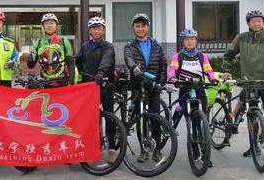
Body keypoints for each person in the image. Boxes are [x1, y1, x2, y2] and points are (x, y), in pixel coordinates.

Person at [223, 9, 264, 161]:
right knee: (253, 116)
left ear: (263, 22)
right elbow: (229, 54)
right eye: (253, 21)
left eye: (259, 20)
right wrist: (226, 70)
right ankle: (254, 146)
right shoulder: (242, 38)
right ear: (248, 23)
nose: (257, 23)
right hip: (249, 82)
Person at [168, 28, 216, 167]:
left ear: (196, 41)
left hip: (199, 90)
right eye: (187, 39)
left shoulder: (202, 56)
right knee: (189, 122)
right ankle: (194, 151)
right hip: (185, 89)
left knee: (201, 124)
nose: (190, 42)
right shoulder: (178, 56)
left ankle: (205, 154)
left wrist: (212, 78)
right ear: (182, 42)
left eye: (192, 39)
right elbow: (173, 69)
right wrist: (171, 77)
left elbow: (208, 70)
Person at [124, 13, 167, 164]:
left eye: (143, 25)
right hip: (138, 86)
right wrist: (134, 67)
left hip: (154, 87)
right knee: (140, 119)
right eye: (137, 26)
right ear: (133, 28)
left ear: (148, 27)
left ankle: (157, 150)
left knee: (155, 118)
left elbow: (163, 65)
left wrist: (161, 81)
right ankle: (143, 150)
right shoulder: (130, 46)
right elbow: (128, 58)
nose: (140, 29)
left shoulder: (156, 45)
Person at [75, 16, 117, 163]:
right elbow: (78, 60)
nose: (96, 30)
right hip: (89, 88)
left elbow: (106, 60)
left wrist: (100, 72)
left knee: (109, 117)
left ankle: (112, 148)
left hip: (105, 85)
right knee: (91, 119)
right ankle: (94, 147)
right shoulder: (86, 46)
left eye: (99, 28)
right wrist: (79, 70)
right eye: (93, 28)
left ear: (103, 30)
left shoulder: (108, 46)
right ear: (90, 31)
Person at [27, 13, 75, 87]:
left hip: (62, 82)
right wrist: (30, 59)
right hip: (45, 82)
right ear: (43, 26)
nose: (49, 25)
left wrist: (71, 82)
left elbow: (71, 63)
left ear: (56, 26)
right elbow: (30, 66)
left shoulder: (64, 41)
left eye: (52, 23)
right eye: (46, 23)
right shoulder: (38, 43)